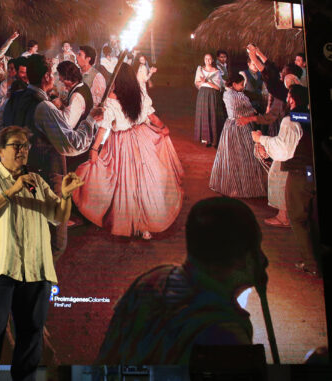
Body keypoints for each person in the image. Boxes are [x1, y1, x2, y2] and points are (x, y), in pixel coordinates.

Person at [0, 125, 85, 381]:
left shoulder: (37, 182)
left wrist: (65, 196)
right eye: (16, 145)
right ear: (0, 151)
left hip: (34, 271)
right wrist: (11, 190)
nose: (22, 150)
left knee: (31, 339)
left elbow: (57, 216)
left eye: (25, 146)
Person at [98, 197, 268, 365]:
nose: (264, 259)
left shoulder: (152, 280)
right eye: (256, 247)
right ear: (240, 258)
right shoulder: (226, 334)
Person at [0, 54, 103, 257]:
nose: (55, 78)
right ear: (46, 76)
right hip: (43, 179)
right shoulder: (43, 107)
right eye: (53, 74)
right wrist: (91, 120)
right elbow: (70, 144)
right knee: (54, 242)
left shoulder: (13, 100)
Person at [74, 63, 183, 240]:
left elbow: (103, 128)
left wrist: (94, 149)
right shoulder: (139, 93)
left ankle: (136, 223)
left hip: (121, 143)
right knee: (145, 181)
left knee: (126, 182)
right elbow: (151, 116)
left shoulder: (111, 99)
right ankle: (144, 225)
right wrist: (163, 127)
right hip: (142, 137)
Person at [251, 85, 318, 274]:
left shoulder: (290, 120)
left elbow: (283, 150)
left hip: (300, 175)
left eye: (289, 96)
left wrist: (261, 139)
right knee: (312, 217)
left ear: (293, 100)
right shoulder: (308, 116)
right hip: (311, 172)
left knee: (298, 219)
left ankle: (312, 265)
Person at [209, 73, 267, 198]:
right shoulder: (239, 96)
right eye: (241, 85)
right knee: (244, 155)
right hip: (241, 125)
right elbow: (249, 110)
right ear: (234, 84)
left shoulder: (226, 93)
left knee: (229, 155)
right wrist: (254, 111)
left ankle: (227, 185)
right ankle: (243, 187)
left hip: (229, 125)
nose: (243, 87)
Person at [194, 53, 225, 147]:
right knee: (204, 115)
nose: (207, 60)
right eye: (206, 58)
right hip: (202, 93)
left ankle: (213, 139)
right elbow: (197, 83)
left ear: (212, 60)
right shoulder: (200, 69)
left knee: (212, 115)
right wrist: (202, 82)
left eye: (209, 59)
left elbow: (218, 87)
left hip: (212, 94)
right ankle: (205, 139)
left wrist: (207, 82)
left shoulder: (217, 72)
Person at [55, 61, 92, 129]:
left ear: (67, 76)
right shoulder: (82, 85)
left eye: (60, 76)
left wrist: (56, 108)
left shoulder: (77, 96)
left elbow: (68, 124)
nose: (59, 79)